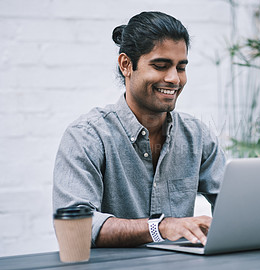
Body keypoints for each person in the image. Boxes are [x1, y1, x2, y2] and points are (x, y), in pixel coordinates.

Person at [53, 11, 226, 248]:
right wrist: (160, 227)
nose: (174, 79)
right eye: (161, 65)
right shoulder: (87, 136)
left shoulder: (197, 135)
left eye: (181, 67)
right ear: (126, 65)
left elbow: (236, 209)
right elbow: (74, 229)